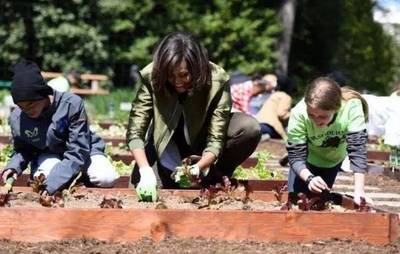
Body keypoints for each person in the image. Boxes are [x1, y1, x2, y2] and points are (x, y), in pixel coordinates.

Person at [127, 32, 261, 201]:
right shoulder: (152, 76)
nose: (177, 81)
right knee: (137, 193)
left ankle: (214, 176)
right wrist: (145, 170)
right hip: (165, 147)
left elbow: (216, 137)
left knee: (249, 128)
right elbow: (135, 131)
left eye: (184, 75)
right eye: (171, 75)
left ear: (197, 69)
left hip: (202, 145)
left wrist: (200, 166)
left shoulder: (217, 80)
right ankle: (171, 176)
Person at [1, 60, 118, 197]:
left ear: (42, 94)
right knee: (45, 178)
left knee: (106, 177)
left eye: (31, 104)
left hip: (84, 151)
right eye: (21, 106)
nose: (26, 110)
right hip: (48, 154)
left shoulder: (71, 104)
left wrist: (55, 182)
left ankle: (75, 178)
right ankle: (68, 179)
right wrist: (14, 167)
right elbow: (23, 149)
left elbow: (78, 151)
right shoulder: (18, 117)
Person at [286, 77, 371, 205]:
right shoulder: (298, 113)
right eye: (311, 115)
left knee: (319, 202)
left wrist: (359, 191)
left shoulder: (351, 107)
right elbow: (296, 156)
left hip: (332, 161)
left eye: (323, 116)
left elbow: (358, 150)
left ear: (336, 108)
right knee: (297, 201)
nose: (317, 120)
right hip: (306, 162)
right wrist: (309, 178)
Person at [256, 74, 294, 140]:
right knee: (285, 135)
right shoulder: (286, 97)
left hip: (258, 124)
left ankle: (263, 136)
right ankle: (265, 136)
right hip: (269, 127)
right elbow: (281, 114)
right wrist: (294, 114)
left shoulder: (274, 95)